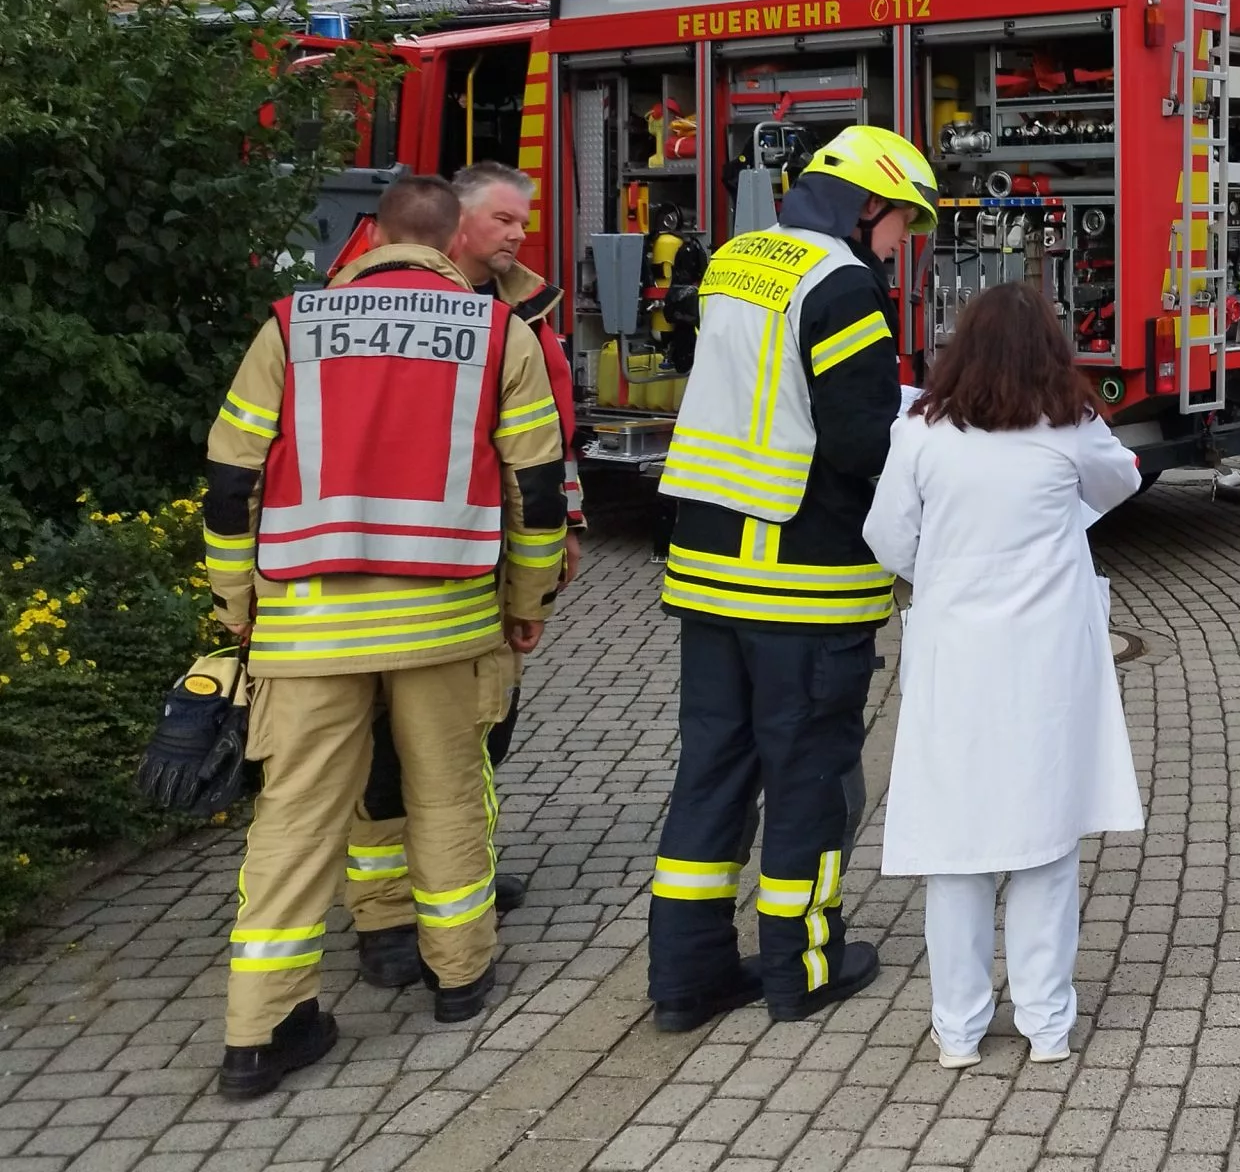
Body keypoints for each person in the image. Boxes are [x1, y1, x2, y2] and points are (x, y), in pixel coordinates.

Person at [203, 175, 567, 1098]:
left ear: (373, 236)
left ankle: (261, 1032)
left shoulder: (291, 326)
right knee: (446, 797)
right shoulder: (498, 334)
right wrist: (529, 601)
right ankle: (458, 975)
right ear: (449, 242)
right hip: (446, 622)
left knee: (292, 820)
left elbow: (230, 476)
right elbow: (535, 481)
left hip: (306, 625)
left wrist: (233, 603)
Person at [646, 125, 937, 1031]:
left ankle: (687, 978)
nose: (903, 244)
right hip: (801, 584)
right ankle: (802, 967)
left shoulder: (740, 260)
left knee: (714, 771)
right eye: (903, 225)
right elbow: (856, 440)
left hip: (706, 572)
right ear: (869, 205)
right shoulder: (843, 283)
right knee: (809, 773)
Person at [864, 280, 1144, 1068]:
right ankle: (1046, 1027)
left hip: (954, 654)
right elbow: (1119, 482)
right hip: (1048, 658)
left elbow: (886, 534)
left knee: (957, 848)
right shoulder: (1073, 425)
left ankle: (957, 1032)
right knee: (1045, 839)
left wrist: (945, 574)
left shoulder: (921, 430)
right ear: (1051, 350)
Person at [343, 161, 584, 990]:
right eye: (505, 220)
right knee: (391, 757)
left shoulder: (520, 307)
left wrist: (562, 533)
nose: (518, 235)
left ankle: (457, 887)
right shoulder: (370, 306)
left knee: (483, 735)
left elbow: (550, 435)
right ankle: (386, 920)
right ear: (452, 224)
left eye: (523, 221)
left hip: (473, 567)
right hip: (395, 572)